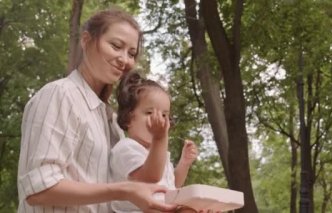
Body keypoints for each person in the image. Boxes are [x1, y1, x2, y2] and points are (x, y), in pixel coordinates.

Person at [17, 8, 177, 212]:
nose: (124, 59)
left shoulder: (113, 122)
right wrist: (125, 190)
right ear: (86, 40)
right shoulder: (60, 95)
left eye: (131, 53)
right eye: (116, 46)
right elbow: (38, 189)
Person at [110, 71, 199, 212]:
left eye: (164, 115)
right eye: (149, 113)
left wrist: (184, 162)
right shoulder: (126, 147)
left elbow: (172, 185)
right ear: (128, 118)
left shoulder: (159, 153)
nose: (159, 120)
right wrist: (160, 138)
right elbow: (150, 178)